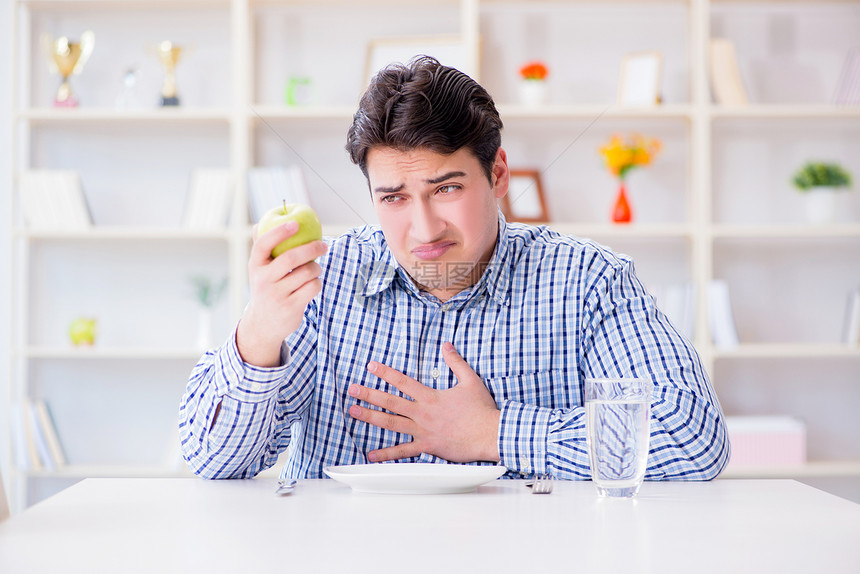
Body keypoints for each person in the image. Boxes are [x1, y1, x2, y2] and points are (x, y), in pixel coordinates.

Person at [179, 56, 729, 481]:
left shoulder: (588, 280)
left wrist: (494, 432)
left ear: (498, 175)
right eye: (393, 197)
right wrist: (257, 335)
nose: (423, 229)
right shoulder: (322, 280)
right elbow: (211, 459)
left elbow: (694, 436)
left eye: (445, 189)